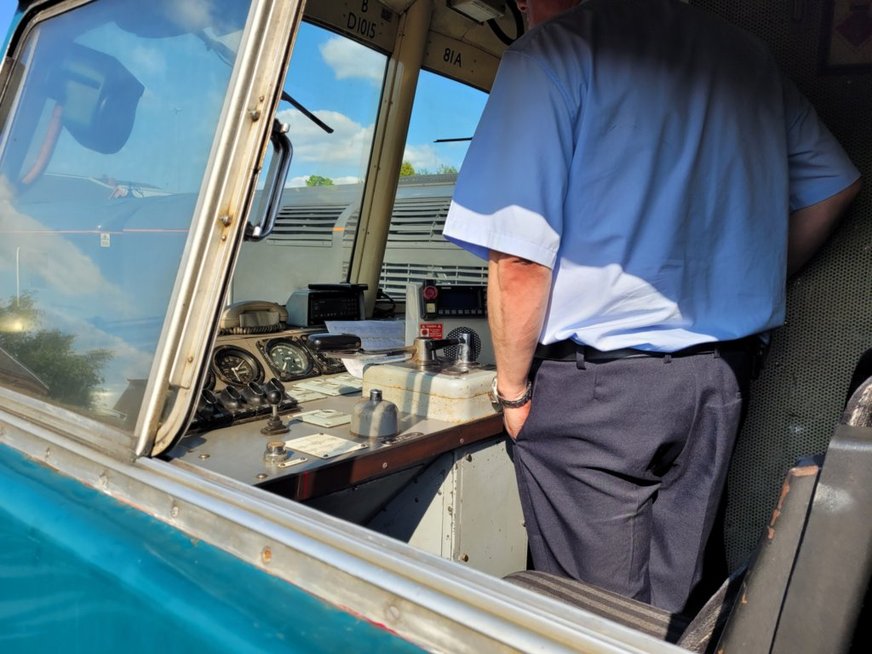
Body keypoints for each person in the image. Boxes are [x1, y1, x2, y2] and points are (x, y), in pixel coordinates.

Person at [443, 0, 861, 614]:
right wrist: (753, 278)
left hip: (598, 396)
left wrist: (510, 392)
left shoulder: (555, 51)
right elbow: (834, 184)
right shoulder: (745, 55)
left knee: (591, 616)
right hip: (719, 381)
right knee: (674, 607)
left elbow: (519, 260)